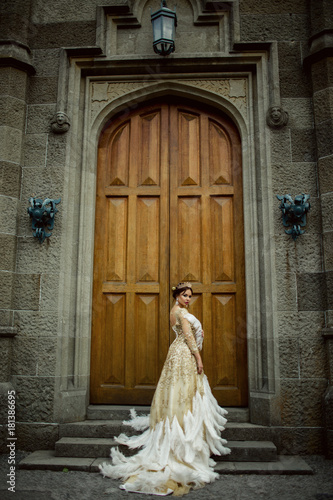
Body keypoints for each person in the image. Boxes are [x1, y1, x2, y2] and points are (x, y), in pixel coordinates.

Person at [99, 282, 231, 496]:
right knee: (185, 393)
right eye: (184, 295)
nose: (188, 298)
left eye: (189, 295)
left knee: (177, 393)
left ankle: (181, 432)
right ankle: (181, 441)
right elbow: (188, 337)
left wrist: (197, 331)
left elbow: (185, 332)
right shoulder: (181, 312)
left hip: (176, 352)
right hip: (184, 354)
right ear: (177, 296)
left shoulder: (175, 311)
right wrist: (198, 358)